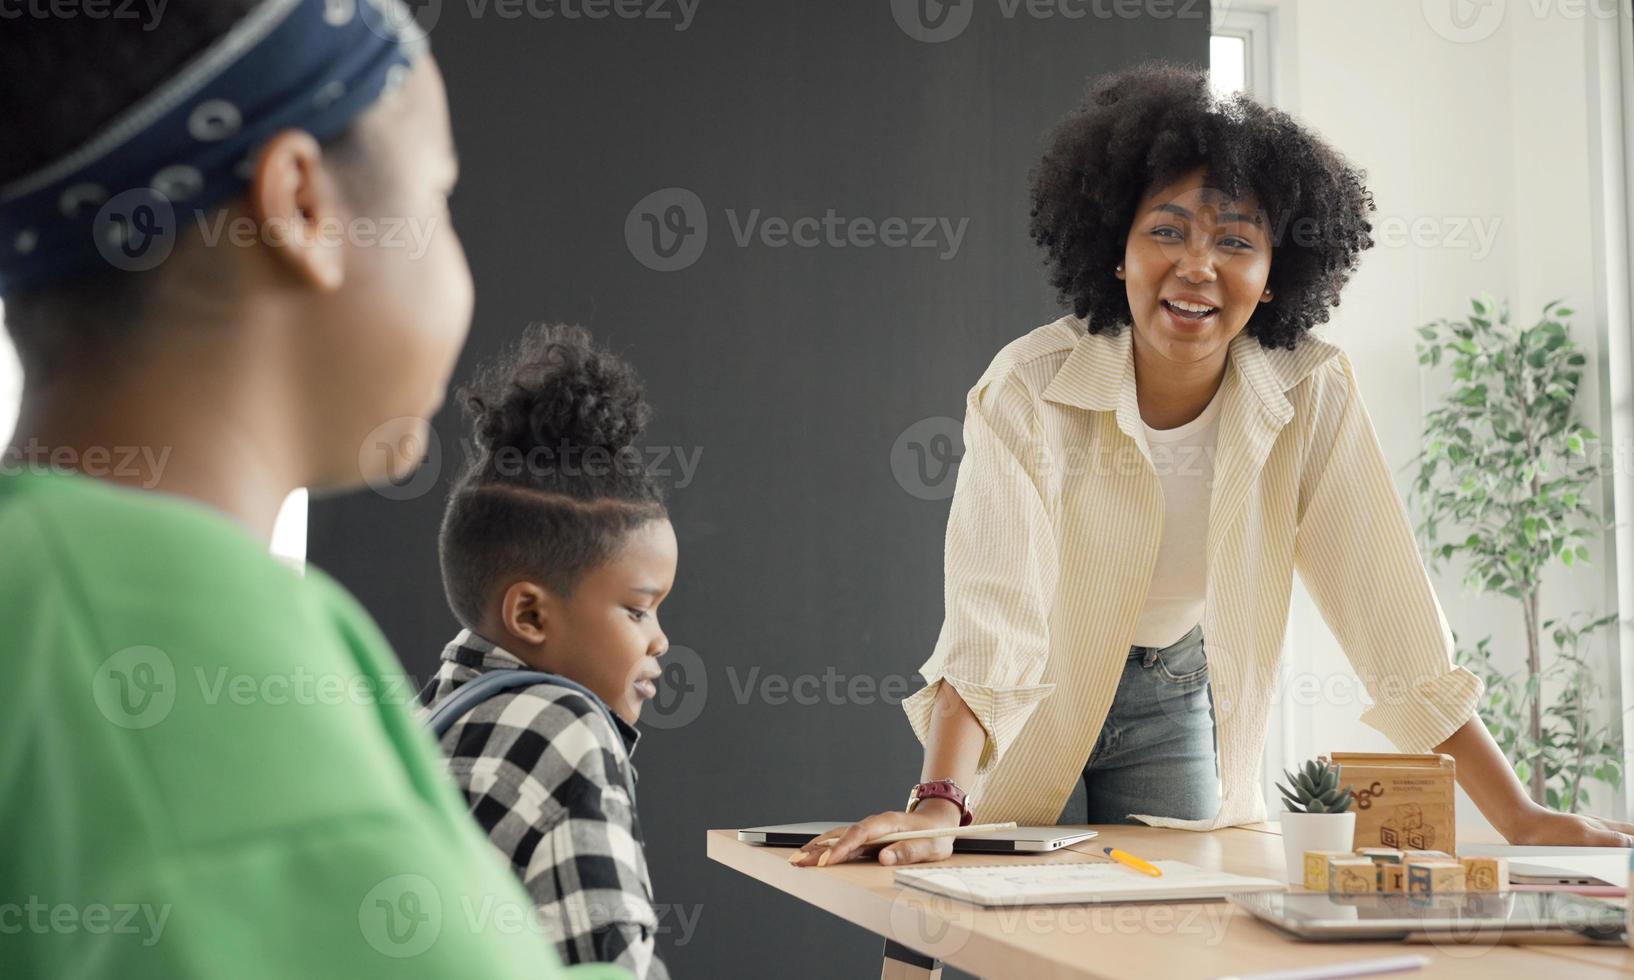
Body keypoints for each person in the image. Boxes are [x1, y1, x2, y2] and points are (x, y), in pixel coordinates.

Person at [797, 61, 1634, 870]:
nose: (1198, 265)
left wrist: (1518, 816)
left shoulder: (1310, 390)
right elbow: (992, 618)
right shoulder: (1029, 387)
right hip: (1029, 701)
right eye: (1166, 231)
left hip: (1173, 696)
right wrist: (940, 799)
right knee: (984, 925)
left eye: (1236, 241)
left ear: (1273, 278)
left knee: (1177, 935)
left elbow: (1393, 620)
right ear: (1115, 251)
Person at [0, 2, 624, 976]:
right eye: (436, 201)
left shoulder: (56, 589)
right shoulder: (154, 623)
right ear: (300, 205)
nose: (459, 270)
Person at [422, 324, 678, 978]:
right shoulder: (569, 730)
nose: (659, 639)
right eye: (638, 609)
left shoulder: (420, 718)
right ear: (530, 613)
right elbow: (610, 960)